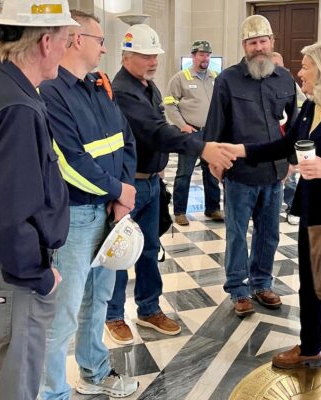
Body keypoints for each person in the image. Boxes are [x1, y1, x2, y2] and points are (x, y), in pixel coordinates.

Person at [213, 41, 321, 400]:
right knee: (309, 283)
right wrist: (241, 150)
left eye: (306, 66)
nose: (300, 72)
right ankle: (310, 348)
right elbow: (286, 146)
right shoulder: (312, 106)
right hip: (314, 209)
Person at [0, 2, 78, 399]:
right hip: (12, 271)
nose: (66, 49)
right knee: (15, 387)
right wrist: (40, 276)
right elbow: (7, 217)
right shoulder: (18, 108)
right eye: (65, 39)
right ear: (45, 42)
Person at [105, 24, 236, 345]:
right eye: (145, 56)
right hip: (128, 187)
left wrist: (160, 169)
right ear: (126, 56)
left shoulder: (147, 87)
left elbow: (157, 128)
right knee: (120, 254)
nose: (153, 61)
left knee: (150, 249)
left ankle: (149, 309)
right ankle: (113, 314)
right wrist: (202, 147)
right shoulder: (123, 91)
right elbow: (155, 131)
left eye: (155, 55)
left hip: (151, 183)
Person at [38, 10, 138, 399]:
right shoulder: (51, 91)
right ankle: (51, 391)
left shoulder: (97, 85)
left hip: (109, 211)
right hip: (76, 215)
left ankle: (94, 372)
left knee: (99, 299)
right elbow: (69, 161)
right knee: (62, 312)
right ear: (77, 40)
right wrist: (118, 191)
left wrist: (123, 193)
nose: (104, 49)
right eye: (100, 41)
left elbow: (125, 139)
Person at [204, 15, 297, 316]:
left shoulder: (285, 79)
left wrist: (291, 162)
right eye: (252, 42)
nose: (258, 47)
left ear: (272, 42)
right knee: (236, 233)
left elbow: (295, 126)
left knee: (269, 234)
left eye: (263, 41)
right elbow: (215, 125)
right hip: (240, 174)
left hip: (274, 173)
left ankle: (262, 284)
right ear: (244, 46)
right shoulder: (227, 80)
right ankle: (238, 289)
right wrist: (215, 162)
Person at [164, 40, 223, 226]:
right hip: (191, 133)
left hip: (211, 133)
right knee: (184, 173)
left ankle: (212, 208)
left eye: (208, 55)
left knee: (212, 171)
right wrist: (182, 125)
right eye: (201, 54)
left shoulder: (216, 77)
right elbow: (169, 104)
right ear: (193, 55)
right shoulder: (180, 78)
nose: (205, 58)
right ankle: (180, 211)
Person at [271, 51, 306, 226]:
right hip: (269, 141)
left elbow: (300, 104)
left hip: (287, 138)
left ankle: (292, 208)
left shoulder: (290, 83)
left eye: (279, 65)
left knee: (290, 178)